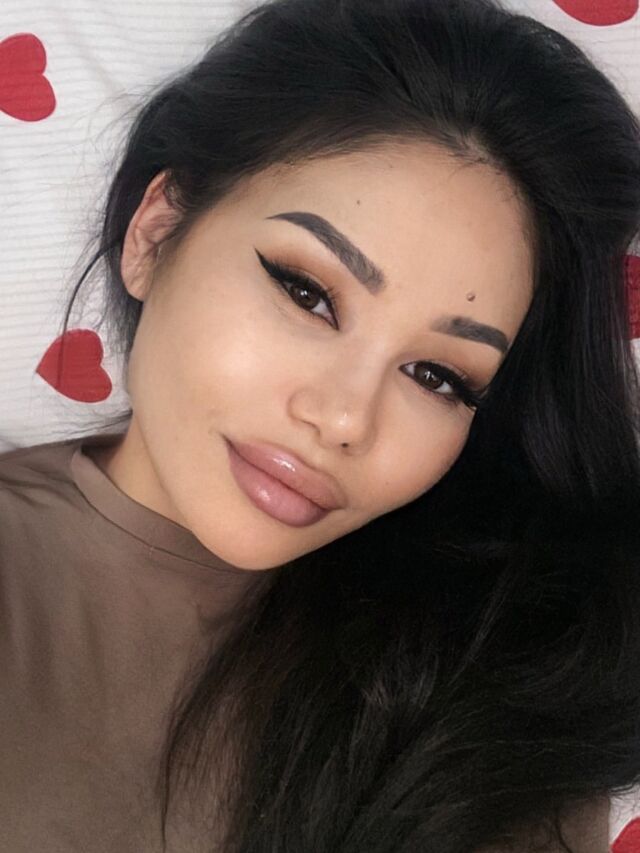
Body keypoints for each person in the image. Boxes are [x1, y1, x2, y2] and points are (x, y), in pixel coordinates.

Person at [1, 0, 639, 849]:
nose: (342, 418)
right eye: (308, 293)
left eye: (438, 376)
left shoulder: (510, 668)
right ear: (155, 233)